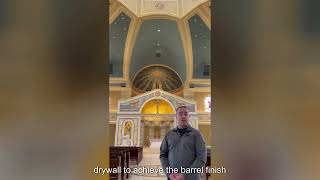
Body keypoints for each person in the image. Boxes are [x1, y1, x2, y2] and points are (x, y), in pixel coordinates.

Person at [160, 105, 207, 180]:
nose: (183, 116)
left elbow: (202, 157)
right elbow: (163, 155)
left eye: (186, 114)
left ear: (189, 116)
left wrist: (186, 175)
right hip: (173, 177)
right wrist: (169, 173)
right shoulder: (169, 134)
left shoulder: (197, 134)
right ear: (176, 116)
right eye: (180, 114)